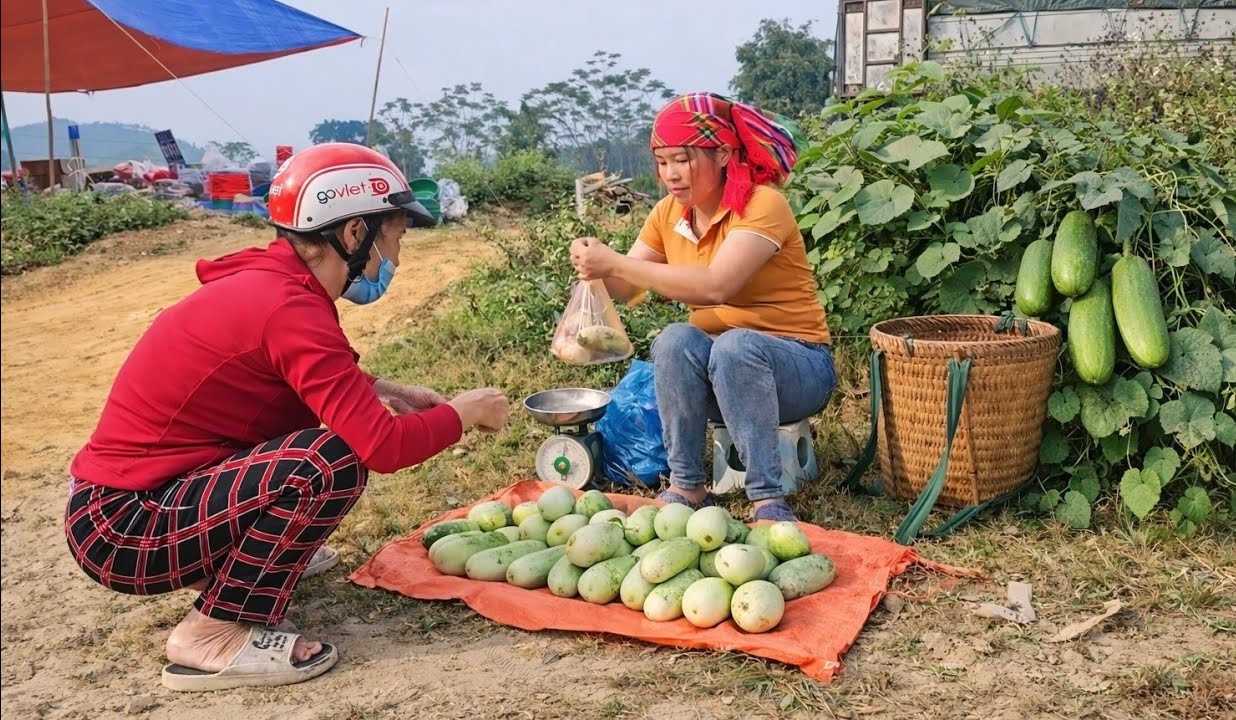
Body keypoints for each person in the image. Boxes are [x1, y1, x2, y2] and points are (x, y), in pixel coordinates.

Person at [64, 143, 510, 692]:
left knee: (321, 445)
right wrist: (463, 415)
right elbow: (384, 448)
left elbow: (295, 376)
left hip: (134, 507)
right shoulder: (289, 309)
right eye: (393, 237)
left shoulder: (271, 286)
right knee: (332, 460)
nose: (394, 256)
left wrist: (391, 389)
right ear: (353, 235)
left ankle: (235, 565)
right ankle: (210, 633)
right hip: (125, 531)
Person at [569, 93, 836, 523]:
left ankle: (767, 498)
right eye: (662, 162)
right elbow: (626, 286)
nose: (670, 175)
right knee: (675, 339)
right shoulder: (667, 214)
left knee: (735, 346)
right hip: (720, 377)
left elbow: (717, 286)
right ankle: (687, 485)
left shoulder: (762, 204)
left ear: (724, 154)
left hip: (798, 369)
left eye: (682, 160)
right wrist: (595, 264)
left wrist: (617, 262)